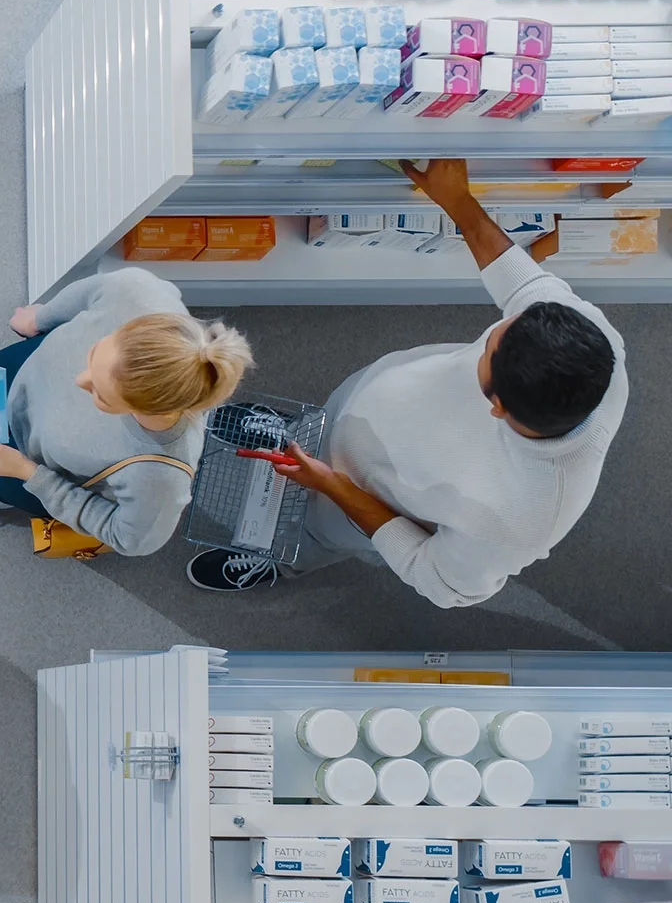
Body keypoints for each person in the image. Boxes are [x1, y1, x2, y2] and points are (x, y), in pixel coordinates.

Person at [187, 160, 626, 602]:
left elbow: (437, 580)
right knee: (324, 422)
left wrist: (334, 485)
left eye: (488, 350)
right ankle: (294, 433)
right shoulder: (586, 336)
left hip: (361, 494)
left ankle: (280, 560)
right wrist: (458, 202)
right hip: (359, 404)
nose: (498, 324)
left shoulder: (519, 521)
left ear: (497, 407)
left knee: (316, 532)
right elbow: (522, 286)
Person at [0, 268, 254, 557]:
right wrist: (41, 318)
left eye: (99, 393)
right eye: (93, 356)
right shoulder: (140, 294)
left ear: (141, 409)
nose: (80, 379)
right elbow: (97, 290)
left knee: (2, 482)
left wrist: (26, 474)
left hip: (33, 464)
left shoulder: (158, 474)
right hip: (27, 373)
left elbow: (131, 539)